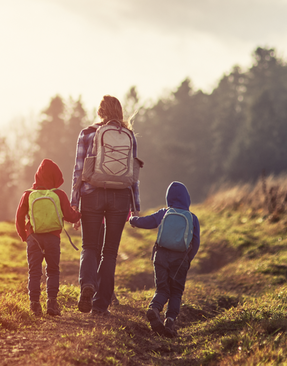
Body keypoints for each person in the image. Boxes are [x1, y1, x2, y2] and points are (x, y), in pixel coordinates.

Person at [71, 95, 142, 316]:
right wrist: (135, 205)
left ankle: (87, 286)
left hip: (91, 194)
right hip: (120, 197)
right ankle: (101, 304)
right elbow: (133, 174)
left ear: (100, 112)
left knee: (89, 247)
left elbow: (79, 171)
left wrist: (74, 203)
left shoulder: (86, 133)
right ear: (120, 113)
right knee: (110, 252)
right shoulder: (129, 136)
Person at [129, 181, 201, 337]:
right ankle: (170, 321)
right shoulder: (192, 218)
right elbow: (195, 242)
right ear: (186, 198)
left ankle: (154, 308)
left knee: (162, 289)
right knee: (176, 292)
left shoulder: (164, 213)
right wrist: (188, 259)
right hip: (180, 260)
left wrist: (132, 220)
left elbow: (146, 222)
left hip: (160, 256)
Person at [15, 158, 81, 316]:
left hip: (34, 238)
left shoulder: (28, 195)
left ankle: (34, 305)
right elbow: (70, 216)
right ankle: (52, 304)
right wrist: (79, 214)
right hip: (52, 238)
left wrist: (25, 236)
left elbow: (19, 218)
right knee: (52, 270)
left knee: (34, 272)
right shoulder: (59, 194)